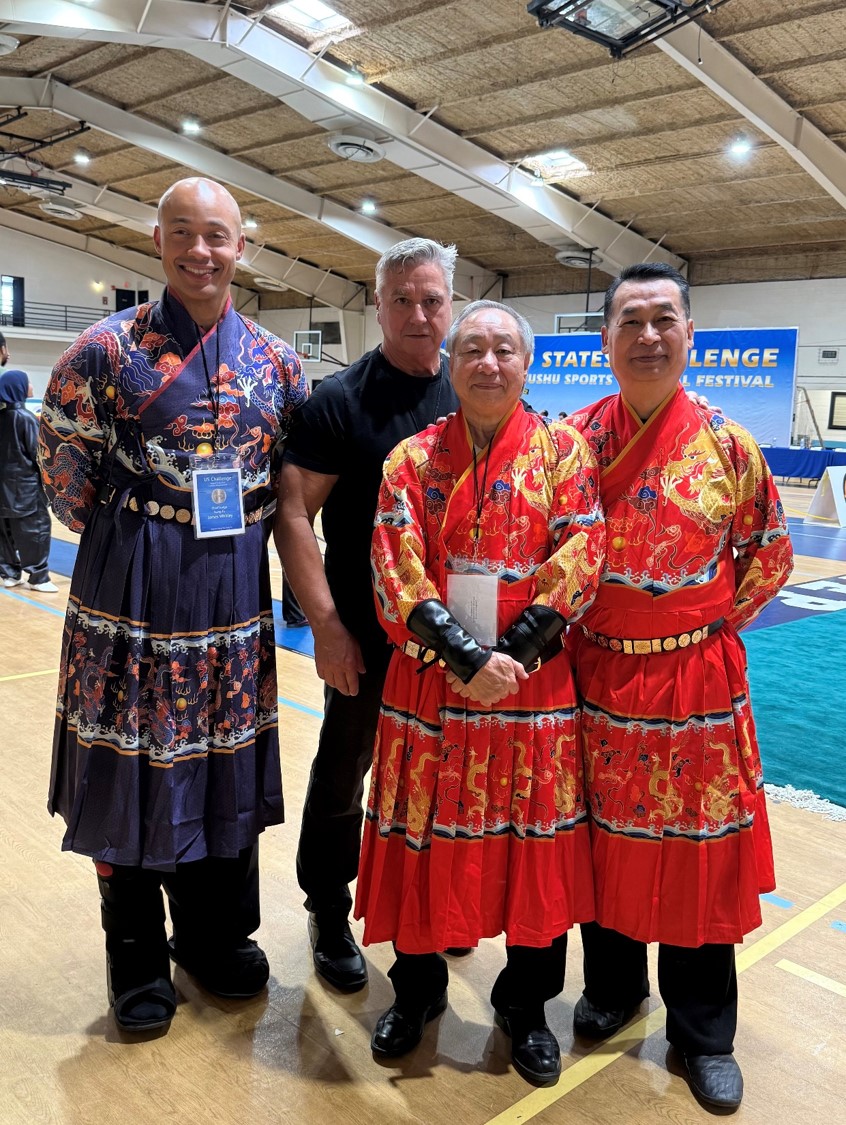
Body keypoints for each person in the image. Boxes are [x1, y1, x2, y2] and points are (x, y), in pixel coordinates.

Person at [38, 177, 306, 1033]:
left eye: (217, 235)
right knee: (131, 765)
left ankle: (213, 934)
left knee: (220, 759)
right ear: (157, 241)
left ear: (242, 247)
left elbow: (291, 479)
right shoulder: (101, 351)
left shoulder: (277, 361)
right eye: (183, 233)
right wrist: (141, 535)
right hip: (130, 591)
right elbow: (63, 470)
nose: (201, 250)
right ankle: (135, 954)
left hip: (231, 594)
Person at [354, 300, 604, 1083]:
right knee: (421, 833)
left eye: (504, 350)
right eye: (473, 349)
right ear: (451, 362)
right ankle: (418, 988)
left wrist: (511, 655)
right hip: (432, 680)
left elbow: (582, 552)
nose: (489, 363)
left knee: (535, 844)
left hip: (532, 681)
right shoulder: (411, 459)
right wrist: (466, 657)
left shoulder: (565, 451)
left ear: (527, 363)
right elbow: (393, 563)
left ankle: (525, 1005)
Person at [566, 262, 794, 1109]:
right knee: (604, 838)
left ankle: (702, 1031)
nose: (648, 335)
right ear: (606, 341)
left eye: (664, 319)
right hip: (597, 674)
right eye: (631, 321)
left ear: (691, 335)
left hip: (695, 678)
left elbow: (771, 553)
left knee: (699, 851)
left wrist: (698, 625)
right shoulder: (574, 443)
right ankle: (614, 987)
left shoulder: (731, 445)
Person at [275, 237, 460, 991]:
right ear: (377, 306)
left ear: (451, 305)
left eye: (431, 300)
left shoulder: (474, 390)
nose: (418, 315)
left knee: (449, 770)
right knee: (346, 769)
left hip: (457, 639)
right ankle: (327, 906)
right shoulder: (338, 401)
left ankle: (437, 904)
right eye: (401, 300)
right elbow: (292, 512)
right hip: (367, 631)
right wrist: (326, 626)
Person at [0, 368, 58, 592]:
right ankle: (38, 577)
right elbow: (39, 455)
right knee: (36, 530)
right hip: (25, 488)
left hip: (3, 488)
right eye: (28, 382)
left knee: (4, 531)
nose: (31, 386)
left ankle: (9, 573)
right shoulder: (25, 418)